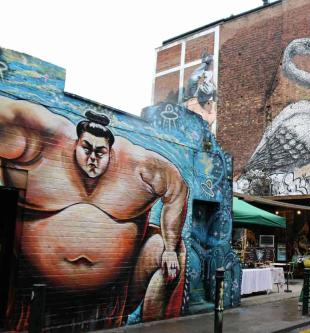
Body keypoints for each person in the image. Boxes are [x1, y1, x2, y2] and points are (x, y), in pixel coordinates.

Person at [0, 96, 188, 329]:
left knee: (174, 250)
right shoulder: (40, 138)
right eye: (86, 149)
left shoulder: (139, 167)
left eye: (100, 153)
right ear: (75, 143)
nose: (92, 159)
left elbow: (177, 187)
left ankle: (156, 328)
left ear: (111, 151)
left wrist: (169, 249)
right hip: (29, 281)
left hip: (113, 289)